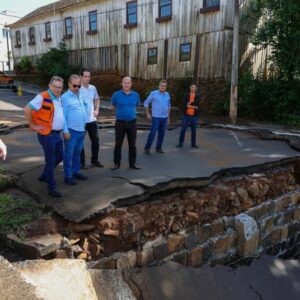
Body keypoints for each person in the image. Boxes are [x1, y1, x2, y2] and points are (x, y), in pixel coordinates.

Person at [24, 76, 69, 197]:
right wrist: (33, 125)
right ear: (49, 86)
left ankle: (44, 176)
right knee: (50, 161)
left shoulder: (59, 98)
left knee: (59, 156)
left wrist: (64, 130)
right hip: (47, 135)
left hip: (57, 134)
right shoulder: (42, 97)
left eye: (60, 87)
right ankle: (52, 187)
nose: (57, 89)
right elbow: (27, 108)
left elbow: (60, 116)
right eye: (55, 86)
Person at [62, 74, 88, 185]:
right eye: (74, 86)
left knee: (77, 153)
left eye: (79, 86)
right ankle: (68, 176)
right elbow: (62, 116)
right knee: (69, 154)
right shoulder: (65, 98)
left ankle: (76, 171)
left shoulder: (80, 95)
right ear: (69, 84)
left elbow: (85, 107)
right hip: (71, 131)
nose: (77, 88)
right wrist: (65, 131)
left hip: (81, 130)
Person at [111, 76, 141, 170]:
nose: (126, 84)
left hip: (132, 123)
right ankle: (116, 163)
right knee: (118, 144)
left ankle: (132, 163)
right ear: (122, 83)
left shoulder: (136, 95)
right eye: (125, 82)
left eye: (128, 82)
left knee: (132, 144)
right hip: (120, 123)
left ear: (131, 84)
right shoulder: (116, 94)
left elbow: (136, 105)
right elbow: (113, 106)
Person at [79, 69, 103, 169]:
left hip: (92, 120)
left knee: (96, 141)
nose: (87, 78)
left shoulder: (93, 88)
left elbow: (97, 99)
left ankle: (95, 160)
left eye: (89, 76)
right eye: (85, 76)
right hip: (81, 121)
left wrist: (97, 110)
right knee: (80, 143)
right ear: (81, 77)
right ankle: (82, 163)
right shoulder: (77, 88)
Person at [144, 80, 171, 154]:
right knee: (153, 132)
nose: (163, 87)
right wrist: (148, 113)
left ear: (166, 87)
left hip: (164, 117)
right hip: (156, 117)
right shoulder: (153, 93)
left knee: (162, 133)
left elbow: (169, 105)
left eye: (164, 86)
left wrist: (168, 117)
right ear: (159, 86)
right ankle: (147, 148)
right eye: (161, 85)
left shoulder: (167, 94)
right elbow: (146, 102)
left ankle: (158, 148)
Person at [176, 83, 201, 148]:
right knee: (183, 130)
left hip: (194, 116)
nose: (193, 88)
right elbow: (184, 103)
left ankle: (193, 143)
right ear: (190, 88)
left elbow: (197, 103)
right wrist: (194, 105)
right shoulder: (186, 95)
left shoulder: (198, 96)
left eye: (194, 87)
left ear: (196, 88)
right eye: (192, 87)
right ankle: (180, 143)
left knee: (194, 131)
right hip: (186, 115)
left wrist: (190, 103)